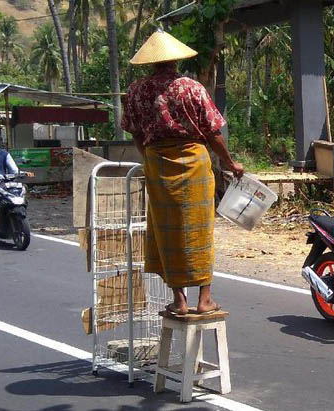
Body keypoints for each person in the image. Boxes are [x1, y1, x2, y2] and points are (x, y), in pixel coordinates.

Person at [121, 30, 244, 316]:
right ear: (176, 60)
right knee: (200, 229)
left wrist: (151, 158)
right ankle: (204, 299)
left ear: (151, 62)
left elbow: (135, 134)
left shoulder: (137, 91)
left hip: (157, 163)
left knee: (167, 231)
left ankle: (179, 300)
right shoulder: (192, 87)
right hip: (194, 161)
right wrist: (230, 163)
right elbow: (213, 133)